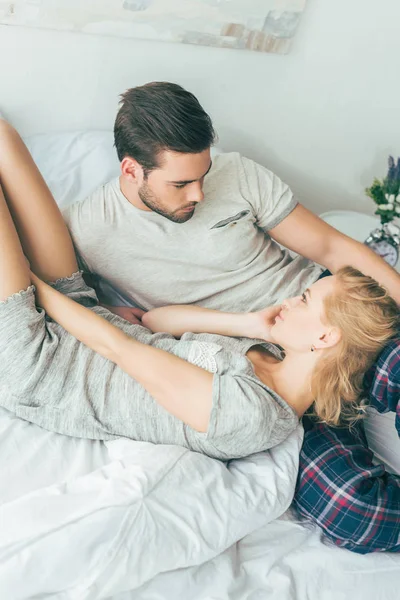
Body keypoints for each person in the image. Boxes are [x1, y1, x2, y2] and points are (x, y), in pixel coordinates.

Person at [0, 119, 397, 465]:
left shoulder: (253, 415)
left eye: (306, 299)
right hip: (81, 315)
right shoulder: (261, 351)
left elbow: (118, 350)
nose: (294, 297)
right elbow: (155, 323)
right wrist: (250, 324)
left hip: (40, 365)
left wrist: (30, 279)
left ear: (325, 337)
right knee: (5, 138)